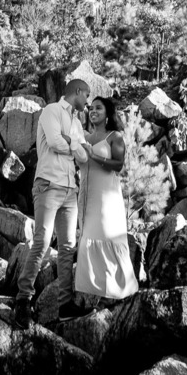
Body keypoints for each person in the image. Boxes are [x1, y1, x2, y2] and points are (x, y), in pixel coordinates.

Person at [12, 78, 90, 328]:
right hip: (47, 185)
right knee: (42, 241)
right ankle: (23, 300)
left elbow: (84, 157)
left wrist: (71, 142)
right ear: (77, 91)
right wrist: (74, 144)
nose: (88, 102)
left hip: (70, 191)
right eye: (87, 95)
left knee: (68, 246)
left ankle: (65, 305)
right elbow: (56, 143)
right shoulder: (51, 111)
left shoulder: (76, 123)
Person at [74, 96, 138, 302]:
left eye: (98, 108)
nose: (93, 111)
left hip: (106, 197)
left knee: (105, 235)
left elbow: (118, 165)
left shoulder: (114, 137)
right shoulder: (84, 136)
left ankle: (118, 290)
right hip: (86, 195)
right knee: (87, 236)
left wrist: (94, 156)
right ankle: (91, 292)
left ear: (108, 113)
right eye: (91, 108)